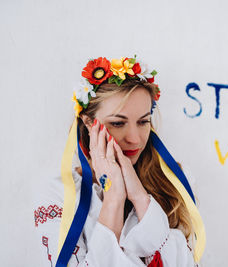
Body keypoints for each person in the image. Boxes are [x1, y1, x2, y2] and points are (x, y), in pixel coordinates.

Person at [33, 56, 206, 266]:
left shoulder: (176, 180)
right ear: (88, 123)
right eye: (117, 123)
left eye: (143, 122)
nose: (134, 138)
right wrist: (113, 195)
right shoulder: (60, 193)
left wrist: (141, 198)